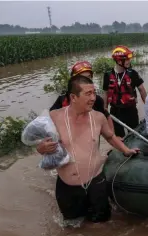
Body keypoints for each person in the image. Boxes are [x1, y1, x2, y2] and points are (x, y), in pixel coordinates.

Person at [39, 75, 140, 223]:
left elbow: (111, 137)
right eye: (88, 94)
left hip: (96, 183)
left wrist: (126, 150)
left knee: (101, 226)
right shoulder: (54, 117)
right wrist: (41, 148)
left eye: (94, 92)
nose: (93, 98)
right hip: (67, 187)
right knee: (72, 228)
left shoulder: (98, 117)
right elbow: (40, 144)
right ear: (73, 97)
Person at [37, 61, 115, 154]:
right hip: (69, 145)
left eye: (89, 77)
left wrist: (113, 136)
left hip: (90, 144)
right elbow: (49, 125)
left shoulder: (96, 100)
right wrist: (42, 146)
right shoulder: (63, 100)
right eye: (82, 78)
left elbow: (106, 116)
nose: (86, 80)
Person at [103, 45, 147, 138]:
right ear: (119, 61)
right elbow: (106, 93)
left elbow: (142, 90)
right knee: (119, 136)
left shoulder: (133, 74)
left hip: (130, 110)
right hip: (115, 111)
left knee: (135, 134)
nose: (129, 61)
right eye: (126, 60)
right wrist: (105, 110)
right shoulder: (108, 75)